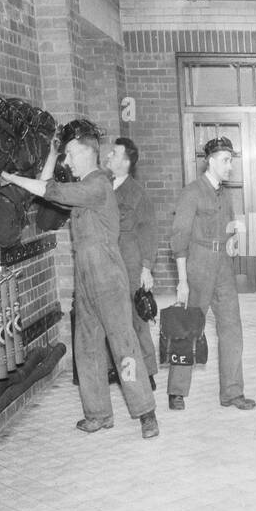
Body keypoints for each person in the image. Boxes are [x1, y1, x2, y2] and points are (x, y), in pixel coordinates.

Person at [0, 120, 158, 439]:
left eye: (71, 154)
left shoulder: (98, 184)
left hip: (108, 273)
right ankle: (98, 413)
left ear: (86, 151)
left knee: (122, 343)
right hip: (85, 272)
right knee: (86, 345)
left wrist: (9, 178)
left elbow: (47, 188)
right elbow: (49, 187)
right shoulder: (82, 188)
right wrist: (55, 150)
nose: (67, 162)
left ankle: (145, 412)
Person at [167, 137, 254, 412]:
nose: (230, 166)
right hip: (198, 264)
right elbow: (179, 238)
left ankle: (232, 392)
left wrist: (232, 244)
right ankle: (177, 391)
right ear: (211, 161)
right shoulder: (191, 192)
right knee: (189, 326)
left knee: (232, 327)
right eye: (226, 160)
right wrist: (182, 281)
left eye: (231, 160)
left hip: (223, 266)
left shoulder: (224, 194)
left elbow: (230, 226)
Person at [105, 137, 158, 389]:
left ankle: (147, 373)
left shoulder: (137, 194)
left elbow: (148, 232)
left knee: (138, 320)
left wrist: (147, 269)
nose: (108, 156)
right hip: (107, 263)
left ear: (125, 162)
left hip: (131, 263)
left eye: (114, 153)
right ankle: (118, 368)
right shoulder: (103, 187)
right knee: (113, 320)